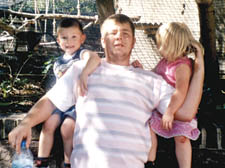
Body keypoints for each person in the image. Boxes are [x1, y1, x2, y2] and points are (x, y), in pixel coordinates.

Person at [8, 14, 204, 168]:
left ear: (134, 42)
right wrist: (26, 123)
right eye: (113, 33)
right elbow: (50, 101)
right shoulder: (82, 70)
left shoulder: (151, 80)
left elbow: (185, 114)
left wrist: (199, 67)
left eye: (125, 33)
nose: (119, 37)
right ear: (102, 41)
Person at [133, 22, 204, 168]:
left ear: (175, 45)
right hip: (162, 107)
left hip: (175, 107)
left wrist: (170, 112)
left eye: (163, 45)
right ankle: (150, 160)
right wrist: (142, 70)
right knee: (148, 126)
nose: (159, 49)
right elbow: (153, 75)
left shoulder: (182, 67)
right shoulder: (164, 62)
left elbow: (180, 92)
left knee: (182, 138)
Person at [35, 18, 101, 168]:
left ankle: (68, 162)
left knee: (67, 128)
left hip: (75, 103)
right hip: (61, 103)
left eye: (74, 37)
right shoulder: (58, 62)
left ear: (82, 38)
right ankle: (41, 161)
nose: (69, 41)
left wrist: (85, 72)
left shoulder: (81, 54)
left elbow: (93, 57)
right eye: (64, 37)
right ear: (58, 40)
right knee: (48, 124)